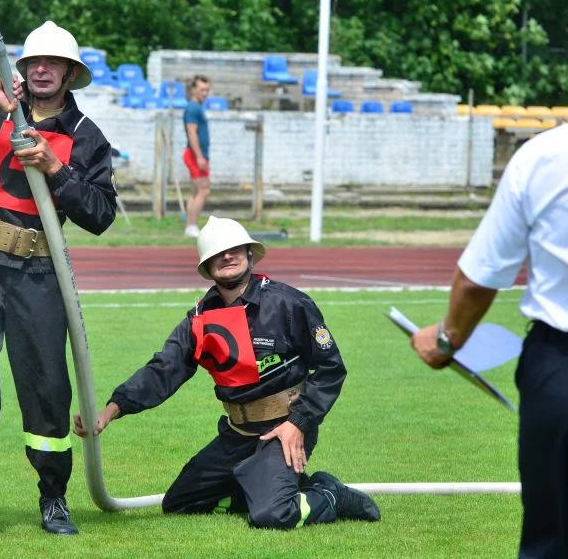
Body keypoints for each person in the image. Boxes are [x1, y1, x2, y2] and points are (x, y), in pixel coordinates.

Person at [0, 20, 118, 541]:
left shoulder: (85, 137)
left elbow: (101, 214)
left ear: (68, 73)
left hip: (40, 271)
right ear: (23, 69)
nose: (41, 69)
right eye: (33, 61)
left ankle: (53, 498)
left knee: (46, 388)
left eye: (52, 63)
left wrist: (58, 170)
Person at [75, 216, 380, 528]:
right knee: (180, 503)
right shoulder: (199, 319)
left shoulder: (288, 303)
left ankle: (330, 493)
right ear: (207, 268)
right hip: (236, 434)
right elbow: (162, 370)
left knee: (273, 514)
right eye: (217, 253)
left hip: (283, 429)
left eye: (235, 249)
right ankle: (270, 487)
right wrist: (110, 411)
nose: (227, 256)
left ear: (249, 253)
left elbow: (331, 369)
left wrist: (298, 423)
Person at [411, 124, 568, 558]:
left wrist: (446, 341)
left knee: (552, 537)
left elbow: (479, 279)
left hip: (561, 364)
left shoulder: (546, 155)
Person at [182, 75, 211, 238]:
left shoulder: (197, 107)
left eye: (207, 90)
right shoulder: (193, 108)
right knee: (203, 190)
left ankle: (190, 225)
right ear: (193, 90)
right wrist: (199, 156)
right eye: (202, 90)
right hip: (195, 155)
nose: (205, 93)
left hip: (198, 154)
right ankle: (192, 226)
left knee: (196, 191)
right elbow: (192, 132)